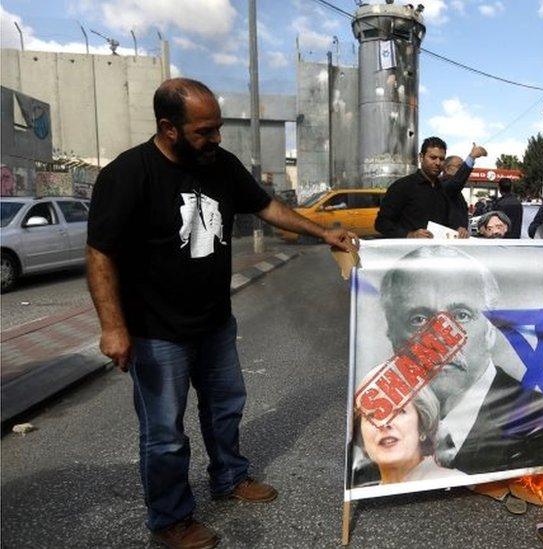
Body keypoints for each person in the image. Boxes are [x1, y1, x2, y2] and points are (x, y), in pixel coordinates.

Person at [85, 78, 357, 549]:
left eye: (218, 128)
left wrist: (321, 233)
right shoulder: (128, 174)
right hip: (156, 332)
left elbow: (268, 205)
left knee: (226, 407)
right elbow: (100, 254)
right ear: (169, 128)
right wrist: (112, 327)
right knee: (165, 433)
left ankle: (229, 478)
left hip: (214, 322)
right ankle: (171, 518)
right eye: (204, 131)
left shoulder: (221, 165)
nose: (216, 139)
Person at [379, 246, 543, 475]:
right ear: (392, 334)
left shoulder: (533, 415)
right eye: (419, 319)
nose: (441, 338)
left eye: (461, 315)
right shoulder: (376, 420)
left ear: (491, 329)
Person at [375, 137, 484, 238]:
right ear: (421, 157)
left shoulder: (442, 190)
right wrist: (410, 235)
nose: (437, 163)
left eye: (441, 159)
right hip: (407, 254)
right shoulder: (402, 186)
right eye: (433, 158)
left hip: (437, 254)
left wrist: (457, 230)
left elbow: (445, 223)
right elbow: (381, 224)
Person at [356, 385, 464, 484]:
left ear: (422, 426)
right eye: (372, 415)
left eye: (399, 411)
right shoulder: (362, 498)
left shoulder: (453, 483)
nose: (384, 423)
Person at [441, 145, 488, 237]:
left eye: (463, 166)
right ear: (446, 168)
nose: (462, 170)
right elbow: (457, 182)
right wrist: (472, 157)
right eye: (459, 166)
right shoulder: (444, 185)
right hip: (448, 239)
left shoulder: (455, 190)